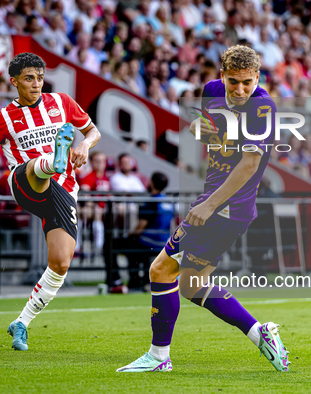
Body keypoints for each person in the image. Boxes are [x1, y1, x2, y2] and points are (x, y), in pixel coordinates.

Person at [117, 46, 288, 373]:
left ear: (258, 79)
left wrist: (210, 204)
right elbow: (203, 127)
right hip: (219, 203)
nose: (240, 90)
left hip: (225, 207)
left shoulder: (262, 108)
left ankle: (158, 357)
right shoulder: (211, 92)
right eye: (234, 82)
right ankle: (259, 333)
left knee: (160, 271)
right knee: (191, 284)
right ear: (222, 76)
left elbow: (250, 164)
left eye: (247, 83)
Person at [0, 53, 101, 351]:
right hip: (24, 181)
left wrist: (85, 144)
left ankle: (21, 323)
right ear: (14, 82)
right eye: (29, 78)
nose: (37, 84)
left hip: (64, 192)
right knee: (39, 167)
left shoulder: (62, 101)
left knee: (60, 263)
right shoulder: (1, 119)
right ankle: (54, 161)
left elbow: (92, 131)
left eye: (39, 77)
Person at [110, 172, 173, 292]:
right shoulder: (169, 202)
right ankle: (140, 280)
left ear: (152, 183)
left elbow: (140, 228)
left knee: (115, 244)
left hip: (148, 242)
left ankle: (120, 280)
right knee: (131, 246)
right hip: (163, 242)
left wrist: (128, 235)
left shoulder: (150, 202)